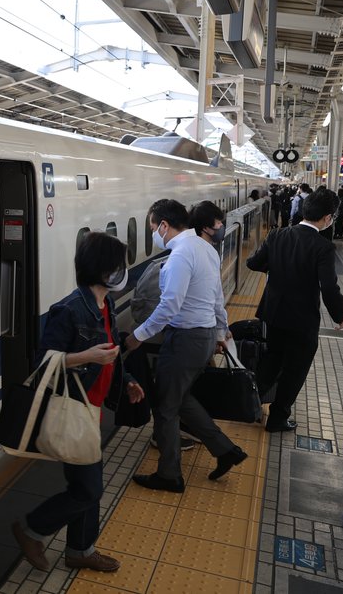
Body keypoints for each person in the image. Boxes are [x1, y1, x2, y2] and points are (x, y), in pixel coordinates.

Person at [12, 232, 145, 573]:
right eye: (118, 265)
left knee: (87, 485)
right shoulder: (70, 310)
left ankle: (80, 550)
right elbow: (44, 361)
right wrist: (84, 356)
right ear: (104, 271)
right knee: (89, 489)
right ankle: (31, 529)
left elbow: (111, 351)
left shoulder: (106, 305)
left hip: (93, 408)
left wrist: (127, 379)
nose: (122, 270)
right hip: (73, 407)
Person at [125, 199, 247, 492]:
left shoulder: (180, 255)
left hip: (185, 340)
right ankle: (226, 449)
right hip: (202, 337)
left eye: (154, 228)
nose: (154, 233)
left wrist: (137, 336)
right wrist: (220, 331)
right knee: (179, 399)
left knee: (165, 407)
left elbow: (169, 306)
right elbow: (217, 297)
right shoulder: (205, 248)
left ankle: (169, 475)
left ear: (164, 225)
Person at [246, 189, 343, 432]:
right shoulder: (323, 247)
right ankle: (278, 418)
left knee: (271, 360)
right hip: (302, 320)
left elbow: (253, 263)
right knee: (295, 370)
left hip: (274, 314)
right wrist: (340, 316)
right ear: (327, 218)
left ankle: (247, 406)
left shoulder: (277, 235)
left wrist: (278, 268)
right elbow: (328, 287)